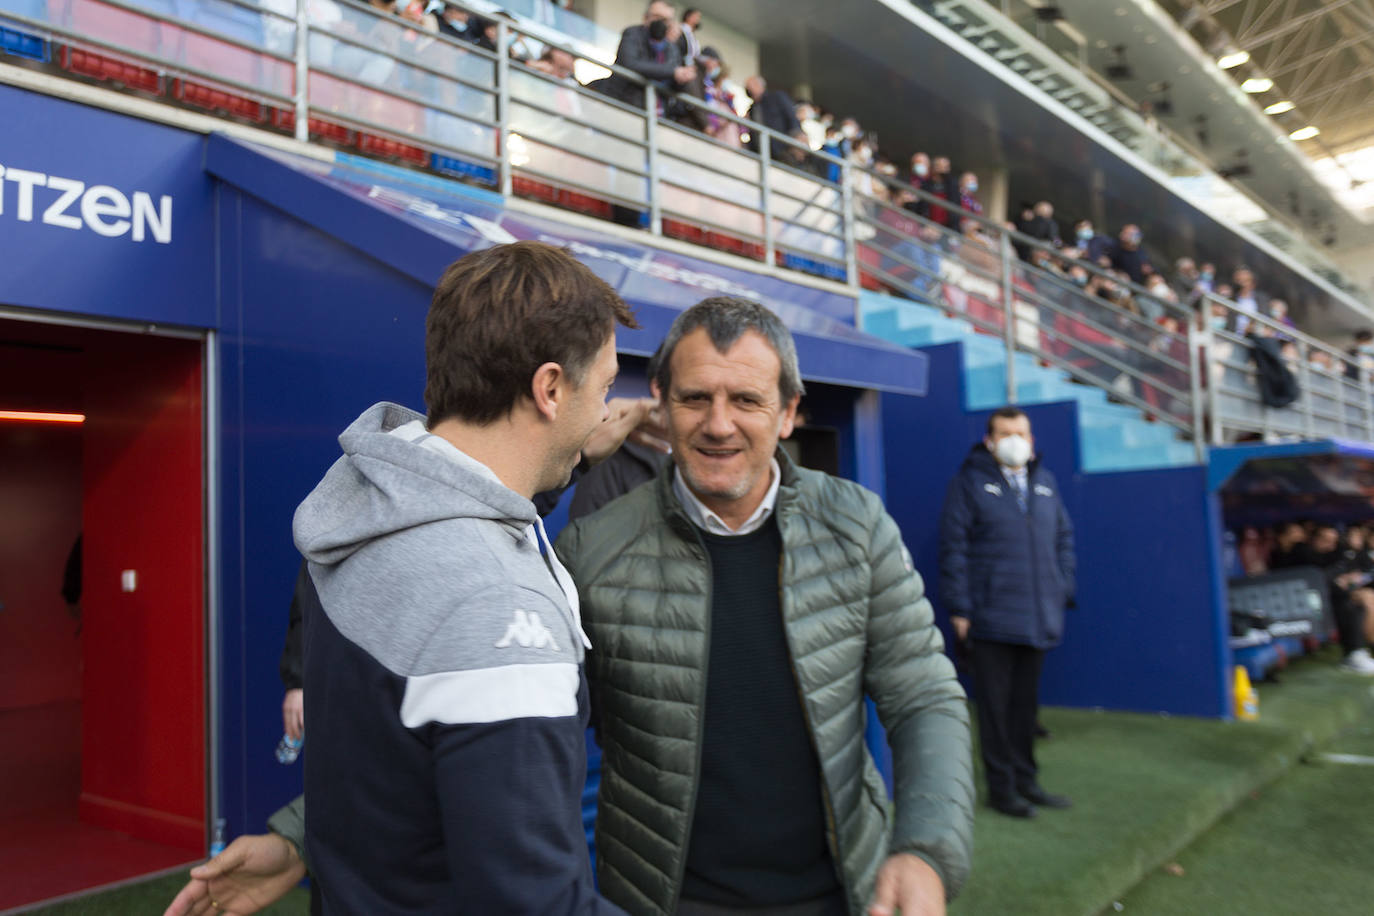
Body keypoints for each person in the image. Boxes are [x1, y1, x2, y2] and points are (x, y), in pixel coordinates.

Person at [557, 298, 974, 916]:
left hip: (841, 896)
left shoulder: (858, 526)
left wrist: (926, 849)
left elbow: (924, 696)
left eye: (747, 400)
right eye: (695, 397)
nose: (719, 424)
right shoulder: (590, 549)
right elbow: (538, 742)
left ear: (788, 414)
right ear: (662, 402)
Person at [304, 241, 638, 914]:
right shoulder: (495, 604)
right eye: (602, 388)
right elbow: (533, 901)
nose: (604, 414)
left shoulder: (369, 516)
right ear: (550, 389)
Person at [939, 407, 1075, 819]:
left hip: (1038, 617)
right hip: (992, 618)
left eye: (1021, 433)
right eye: (1006, 432)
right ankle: (1002, 790)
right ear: (989, 441)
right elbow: (954, 547)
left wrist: (1061, 586)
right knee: (995, 710)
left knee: (1025, 707)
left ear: (1031, 441)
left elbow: (1064, 538)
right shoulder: (969, 484)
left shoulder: (1045, 482)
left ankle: (1027, 780)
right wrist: (960, 608)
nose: (1015, 440)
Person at [596, 1, 694, 110]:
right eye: (657, 16)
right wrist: (673, 72)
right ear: (645, 17)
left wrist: (682, 78)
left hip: (655, 114)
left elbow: (677, 86)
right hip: (622, 104)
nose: (661, 22)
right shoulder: (633, 34)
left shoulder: (672, 49)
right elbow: (631, 63)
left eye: (666, 20)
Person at [743, 75, 807, 164]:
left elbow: (791, 117)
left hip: (782, 149)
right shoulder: (752, 109)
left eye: (751, 85)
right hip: (762, 153)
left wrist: (796, 139)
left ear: (759, 85)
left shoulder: (776, 97)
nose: (748, 89)